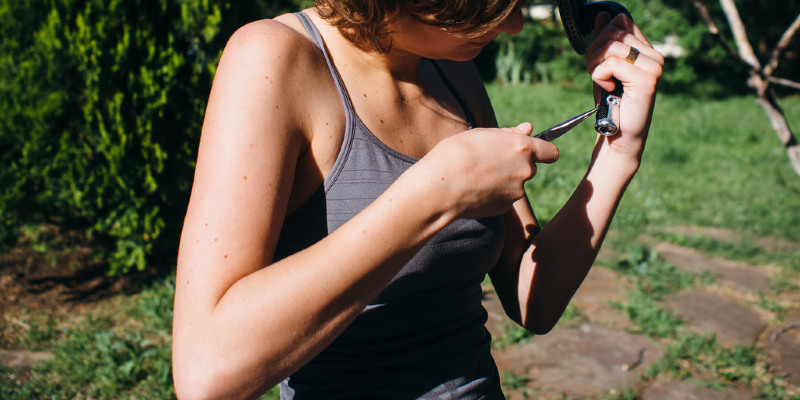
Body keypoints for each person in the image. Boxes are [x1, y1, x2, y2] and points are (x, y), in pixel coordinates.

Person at [171, 0, 663, 397]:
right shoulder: (274, 58)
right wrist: (433, 197)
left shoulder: (453, 72)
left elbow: (533, 297)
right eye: (493, 4)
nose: (513, 25)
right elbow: (207, 371)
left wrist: (619, 152)